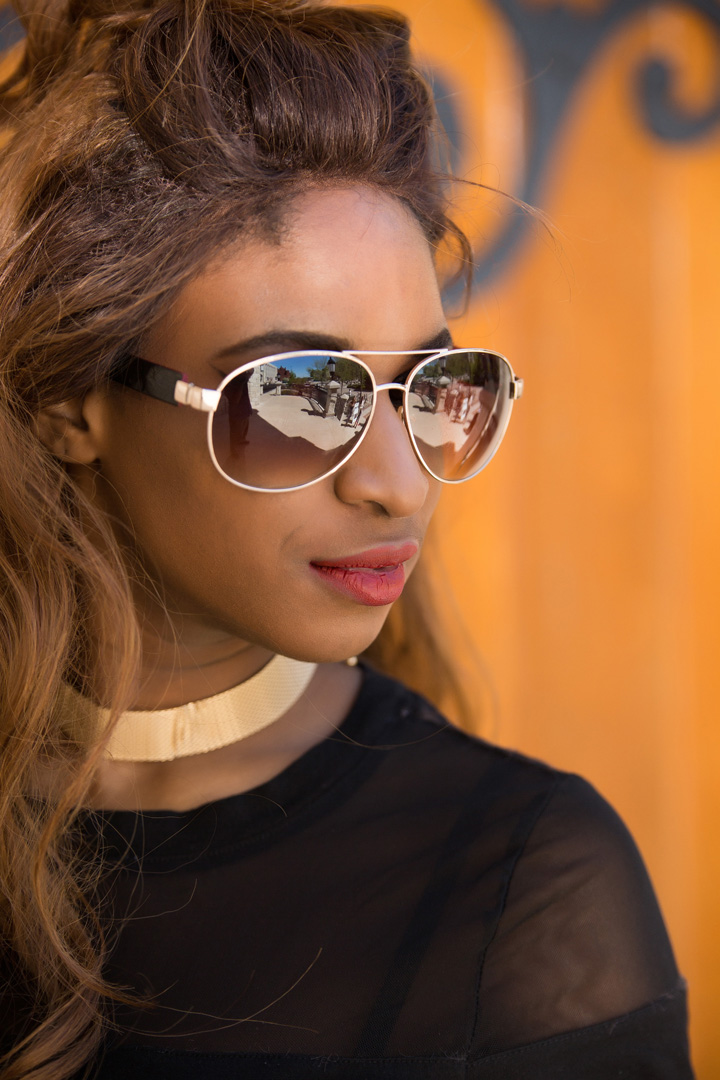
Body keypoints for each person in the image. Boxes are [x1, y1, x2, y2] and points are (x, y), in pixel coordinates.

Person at [0, 2, 693, 1078]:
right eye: (300, 396)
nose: (398, 485)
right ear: (69, 404)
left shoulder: (525, 890)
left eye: (432, 387)